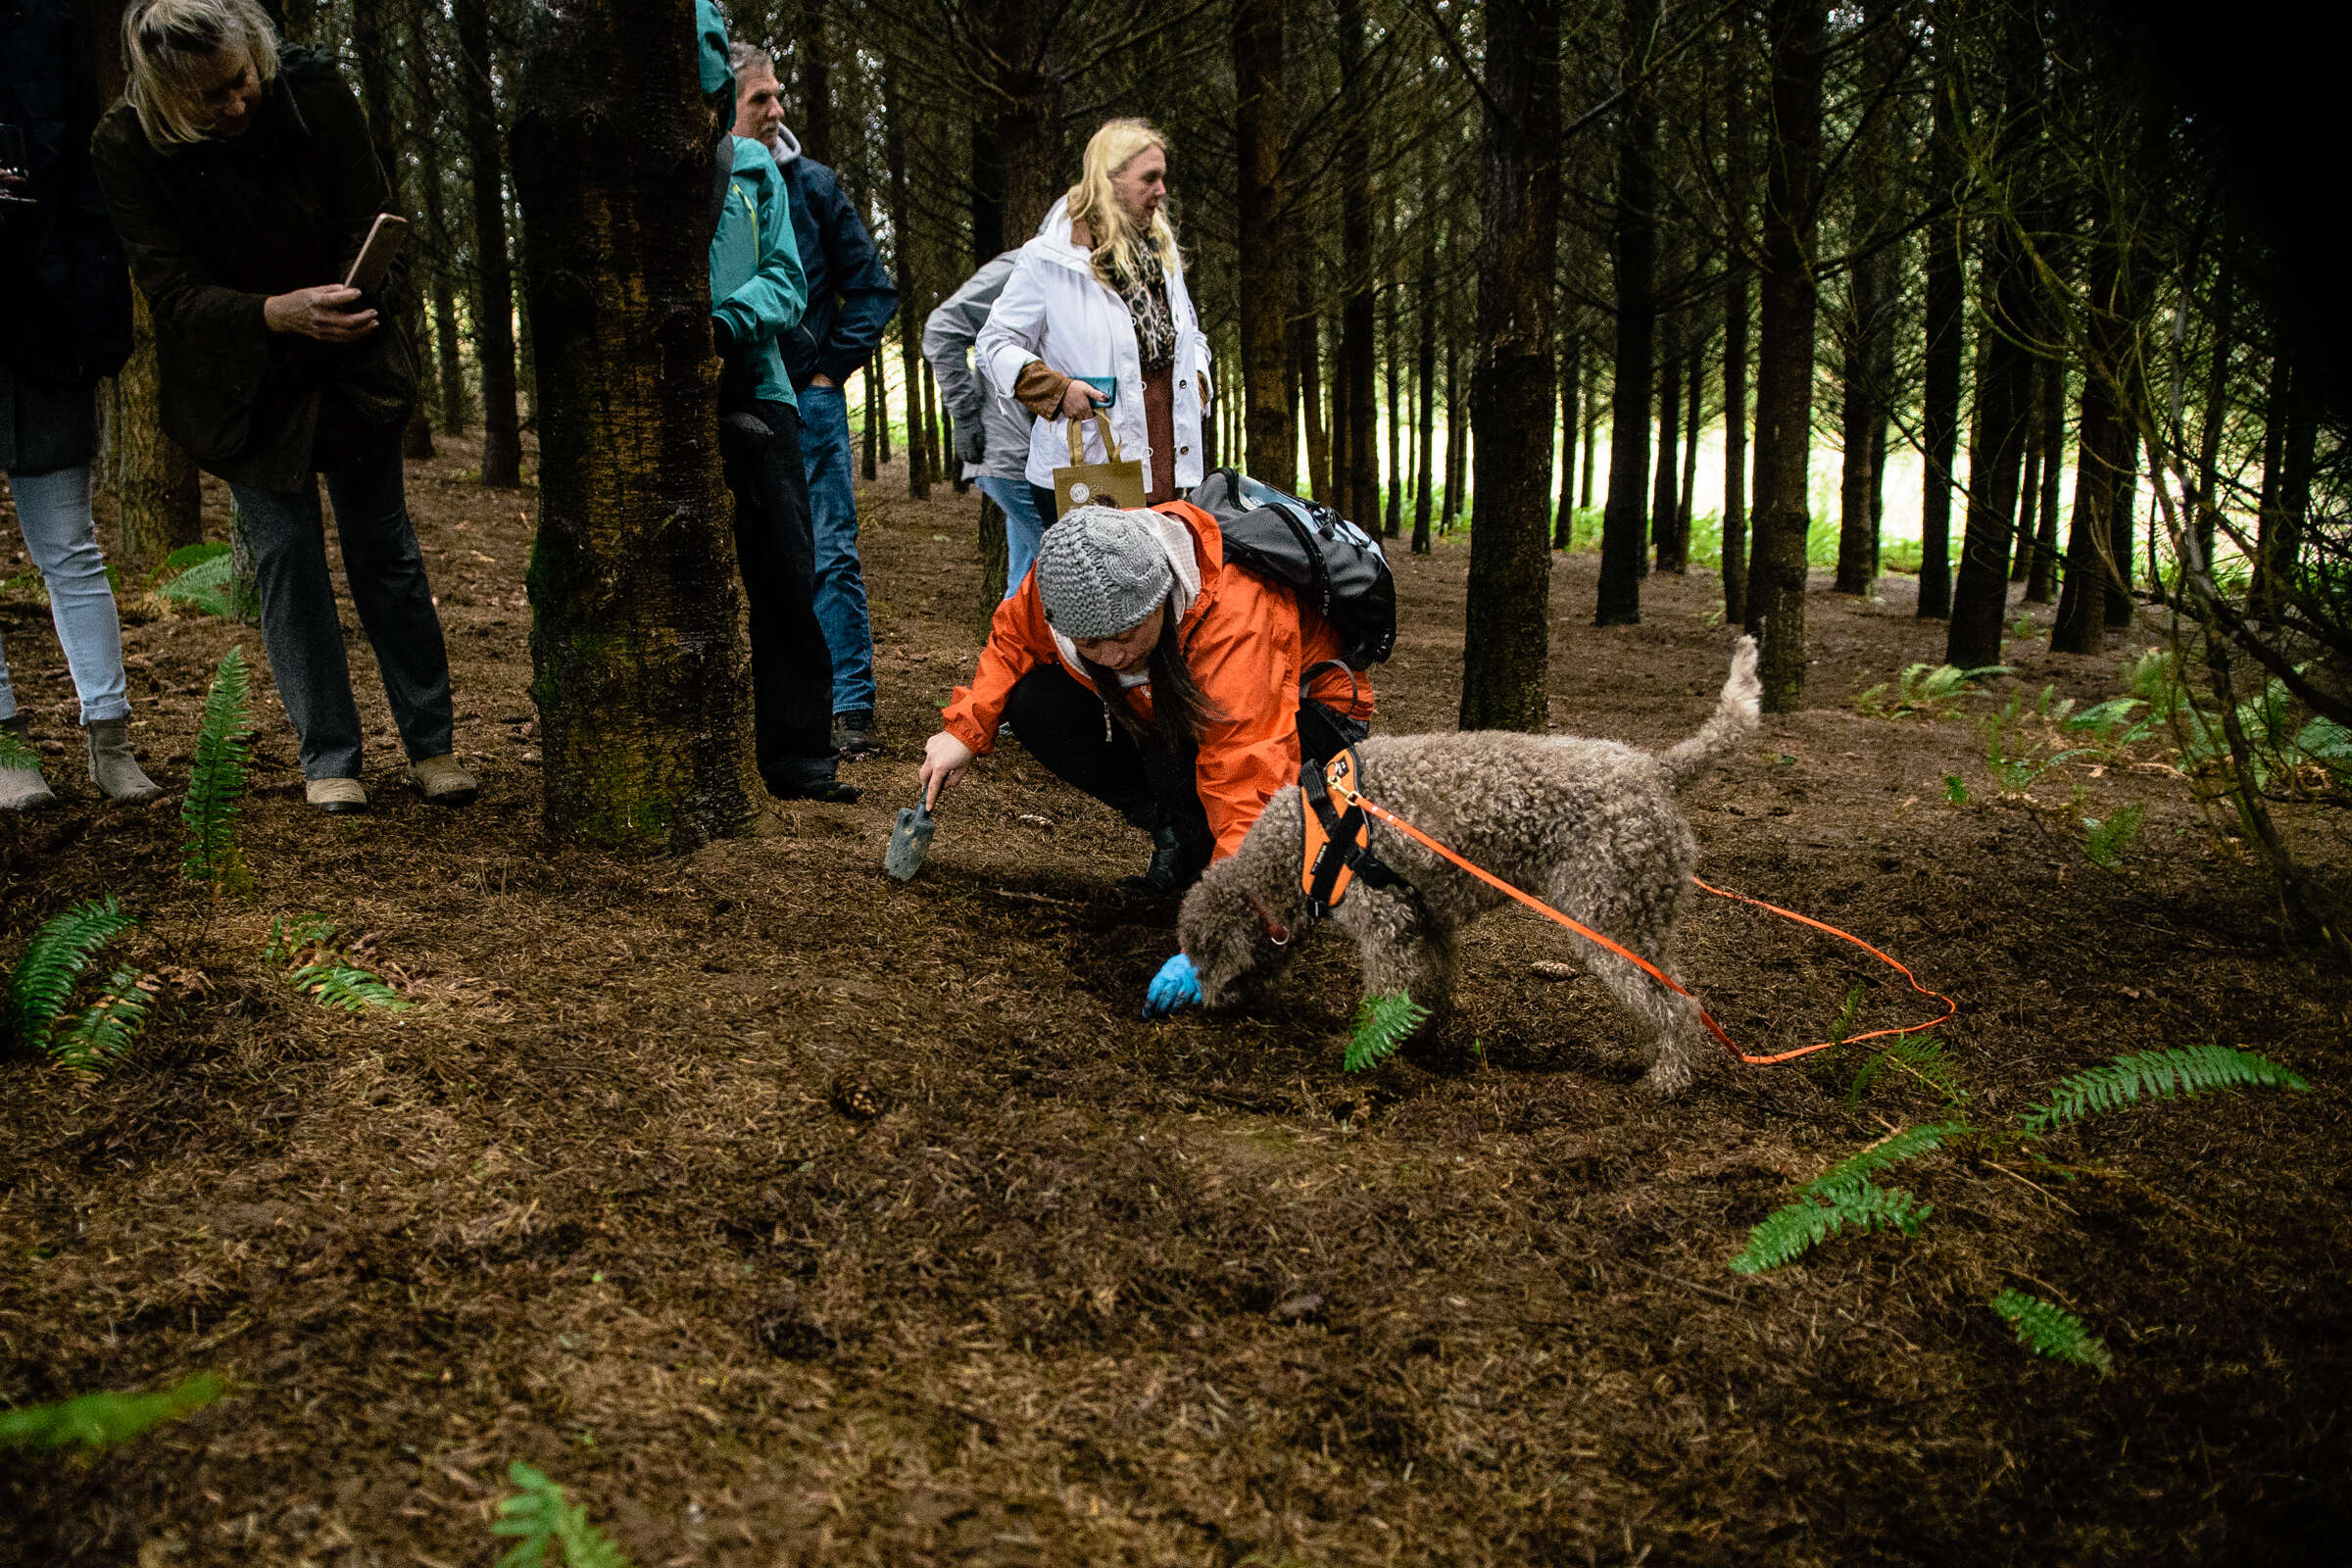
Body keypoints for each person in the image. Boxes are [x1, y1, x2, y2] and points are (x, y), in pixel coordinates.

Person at [91, 0, 472, 815]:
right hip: (241, 388)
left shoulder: (317, 92)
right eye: (207, 98)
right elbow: (172, 292)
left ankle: (432, 746)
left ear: (255, 49)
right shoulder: (125, 144)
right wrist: (275, 312)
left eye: (240, 82)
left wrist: (354, 296)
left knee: (388, 555)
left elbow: (375, 216)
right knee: (287, 562)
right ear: (163, 94)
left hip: (352, 364)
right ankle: (330, 756)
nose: (234, 105)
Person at [920, 501, 1374, 919]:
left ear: (1161, 596)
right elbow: (1013, 640)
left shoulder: (1234, 617)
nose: (1114, 657)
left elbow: (1249, 773)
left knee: (1180, 770)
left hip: (1314, 719)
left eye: (1125, 634)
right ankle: (1178, 830)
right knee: (1035, 703)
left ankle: (1245, 858)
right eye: (1091, 644)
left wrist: (1228, 911)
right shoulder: (1064, 583)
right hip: (1179, 704)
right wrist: (964, 730)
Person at [0, 0, 166, 810]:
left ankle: (111, 739)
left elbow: (84, 190)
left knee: (68, 544)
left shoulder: (47, 23)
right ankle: (5, 750)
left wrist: (98, 321)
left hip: (41, 327)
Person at [696, 16, 854, 804]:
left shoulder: (753, 168)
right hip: (657, 404)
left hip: (759, 388)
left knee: (788, 569)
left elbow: (789, 284)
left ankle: (797, 754)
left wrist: (724, 321)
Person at [729, 48, 896, 760]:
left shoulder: (814, 185)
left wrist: (829, 371)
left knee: (828, 552)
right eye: (759, 99)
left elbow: (872, 289)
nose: (777, 111)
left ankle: (848, 703)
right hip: (727, 396)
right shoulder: (700, 186)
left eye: (778, 97)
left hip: (807, 402)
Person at [975, 119, 1211, 523]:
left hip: (1168, 465)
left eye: (1162, 178)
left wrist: (1198, 380)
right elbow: (993, 344)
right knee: (1094, 585)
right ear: (1109, 180)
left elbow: (1192, 335)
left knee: (1167, 585)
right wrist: (1057, 391)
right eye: (1149, 179)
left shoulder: (1161, 257)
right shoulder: (1050, 260)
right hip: (1088, 470)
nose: (1162, 191)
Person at [922, 249, 1045, 599]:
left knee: (1026, 583)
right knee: (1067, 571)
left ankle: (1006, 654)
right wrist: (965, 415)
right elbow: (941, 330)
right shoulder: (1027, 264)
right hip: (1011, 453)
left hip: (1038, 455)